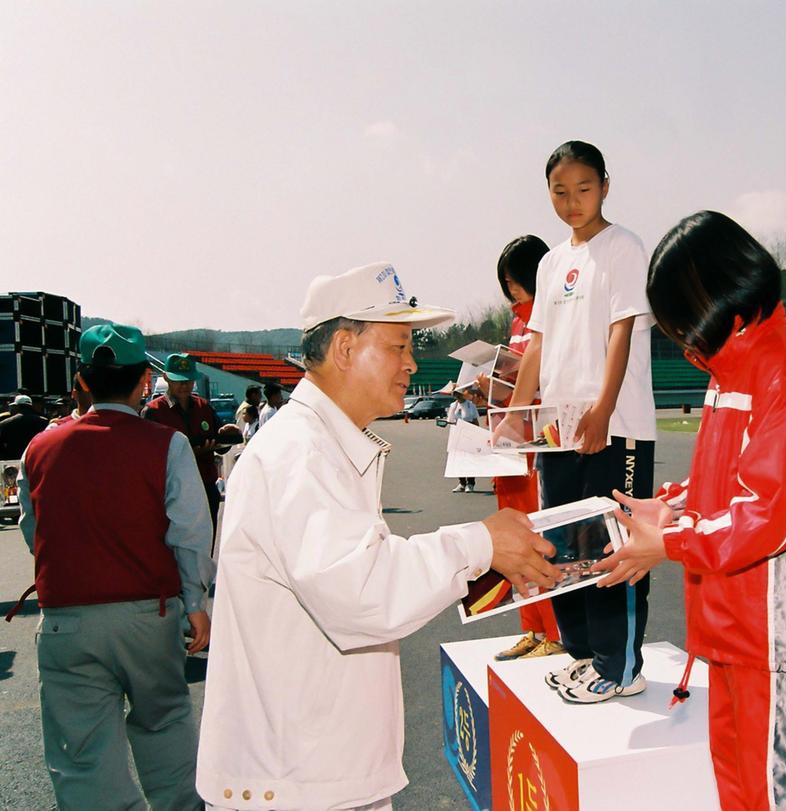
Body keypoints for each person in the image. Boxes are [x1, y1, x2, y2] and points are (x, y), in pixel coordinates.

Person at [195, 262, 560, 809]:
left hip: (315, 770)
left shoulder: (319, 443)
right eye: (398, 346)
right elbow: (364, 593)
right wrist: (480, 543)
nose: (413, 363)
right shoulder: (301, 453)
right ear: (345, 348)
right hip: (300, 781)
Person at [593, 211, 786, 811]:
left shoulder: (782, 369)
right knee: (738, 776)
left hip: (777, 627)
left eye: (680, 323)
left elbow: (770, 510)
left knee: (779, 789)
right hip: (737, 620)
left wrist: (670, 543)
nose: (680, 341)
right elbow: (730, 479)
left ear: (723, 304)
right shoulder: (735, 366)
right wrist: (669, 506)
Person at [12, 323, 214, 809]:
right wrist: (197, 602)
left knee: (82, 756)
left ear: (81, 381)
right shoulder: (167, 444)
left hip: (68, 619)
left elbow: (32, 528)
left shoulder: (39, 447)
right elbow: (189, 533)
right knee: (164, 724)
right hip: (151, 613)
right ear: (145, 380)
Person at [504, 140, 657, 703]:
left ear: (606, 186)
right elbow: (537, 344)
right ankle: (585, 656)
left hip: (616, 426)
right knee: (565, 547)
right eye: (560, 191)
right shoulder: (549, 263)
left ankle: (621, 666)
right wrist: (516, 418)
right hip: (557, 430)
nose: (572, 202)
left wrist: (602, 410)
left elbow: (622, 331)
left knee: (612, 545)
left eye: (584, 189)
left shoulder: (623, 247)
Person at [489, 235, 565, 662]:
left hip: (540, 448)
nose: (509, 291)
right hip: (511, 453)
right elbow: (515, 382)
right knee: (515, 539)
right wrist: (491, 386)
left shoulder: (552, 316)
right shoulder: (518, 323)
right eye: (505, 284)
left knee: (542, 540)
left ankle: (554, 632)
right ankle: (532, 629)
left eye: (512, 281)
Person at [143, 353, 225, 551]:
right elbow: (147, 455)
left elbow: (220, 438)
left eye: (188, 381)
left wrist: (224, 437)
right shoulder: (153, 411)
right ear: (167, 378)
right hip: (171, 489)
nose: (185, 386)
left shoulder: (204, 407)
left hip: (204, 485)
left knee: (206, 544)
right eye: (179, 381)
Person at [446, 389, 479, 493]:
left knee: (469, 459)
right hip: (457, 435)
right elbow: (450, 421)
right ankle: (462, 483)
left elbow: (475, 421)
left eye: (459, 394)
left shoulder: (470, 405)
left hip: (468, 435)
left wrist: (476, 436)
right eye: (455, 394)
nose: (457, 396)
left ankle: (470, 483)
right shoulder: (453, 406)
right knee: (458, 460)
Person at [0, 394, 49, 459]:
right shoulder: (44, 422)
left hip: (13, 461)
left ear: (17, 406)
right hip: (36, 458)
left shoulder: (5, 423)